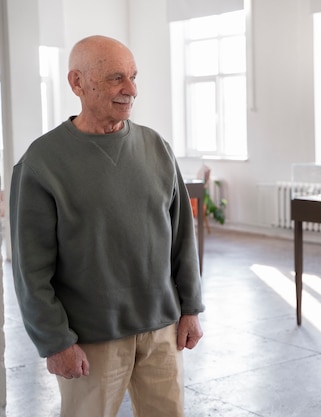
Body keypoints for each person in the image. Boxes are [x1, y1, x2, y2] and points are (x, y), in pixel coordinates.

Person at [10, 35, 204, 416]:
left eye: (133, 76)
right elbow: (30, 268)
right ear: (77, 83)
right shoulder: (41, 163)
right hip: (89, 341)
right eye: (117, 78)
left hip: (162, 329)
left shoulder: (157, 148)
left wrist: (191, 307)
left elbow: (183, 236)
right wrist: (55, 341)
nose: (131, 89)